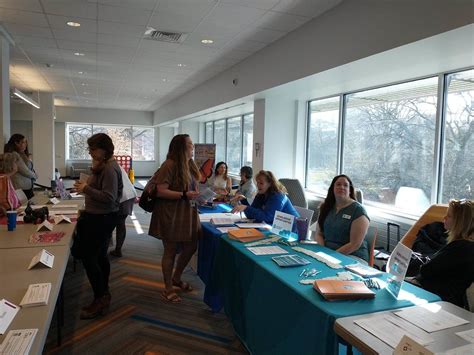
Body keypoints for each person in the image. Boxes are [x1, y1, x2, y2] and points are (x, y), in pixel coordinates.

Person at [73, 133, 122, 319]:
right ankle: (103, 293)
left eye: (93, 149)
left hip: (102, 218)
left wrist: (86, 189)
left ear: (104, 149)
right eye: (90, 149)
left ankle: (100, 297)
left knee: (89, 257)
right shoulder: (103, 166)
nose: (91, 152)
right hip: (99, 217)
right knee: (99, 256)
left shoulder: (109, 168)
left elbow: (109, 198)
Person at [148, 134, 201, 303]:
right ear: (180, 147)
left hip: (187, 210)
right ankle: (168, 287)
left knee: (192, 245)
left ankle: (176, 278)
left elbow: (192, 187)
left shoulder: (190, 165)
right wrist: (184, 195)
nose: (193, 147)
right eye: (190, 145)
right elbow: (161, 190)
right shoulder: (169, 165)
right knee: (170, 250)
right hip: (171, 212)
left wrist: (198, 196)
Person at [413, 199, 474, 307]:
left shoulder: (460, 247)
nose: (444, 218)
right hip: (452, 298)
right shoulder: (468, 246)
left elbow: (426, 270)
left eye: (449, 216)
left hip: (440, 298)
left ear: (460, 221)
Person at [315, 175, 370, 262]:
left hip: (352, 256)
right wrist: (323, 252)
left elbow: (354, 244)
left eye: (345, 185)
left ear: (350, 190)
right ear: (332, 188)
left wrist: (330, 257)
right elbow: (319, 234)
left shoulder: (358, 211)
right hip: (328, 253)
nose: (342, 187)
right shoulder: (325, 207)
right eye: (338, 184)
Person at [231, 170, 299, 224]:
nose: (258, 185)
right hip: (276, 227)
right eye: (257, 182)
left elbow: (267, 217)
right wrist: (244, 202)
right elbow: (251, 215)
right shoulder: (261, 194)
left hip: (292, 231)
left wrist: (246, 208)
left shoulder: (278, 196)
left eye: (261, 183)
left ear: (269, 184)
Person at [110, 166, 137, 258]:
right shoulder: (114, 165)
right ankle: (118, 249)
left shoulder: (107, 167)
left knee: (119, 222)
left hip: (123, 197)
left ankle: (117, 250)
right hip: (129, 194)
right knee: (120, 223)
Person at [4, 134, 37, 200]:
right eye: (23, 142)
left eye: (25, 142)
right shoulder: (14, 155)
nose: (25, 144)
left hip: (26, 186)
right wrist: (35, 176)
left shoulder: (22, 154)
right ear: (16, 143)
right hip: (22, 186)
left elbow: (29, 168)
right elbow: (25, 171)